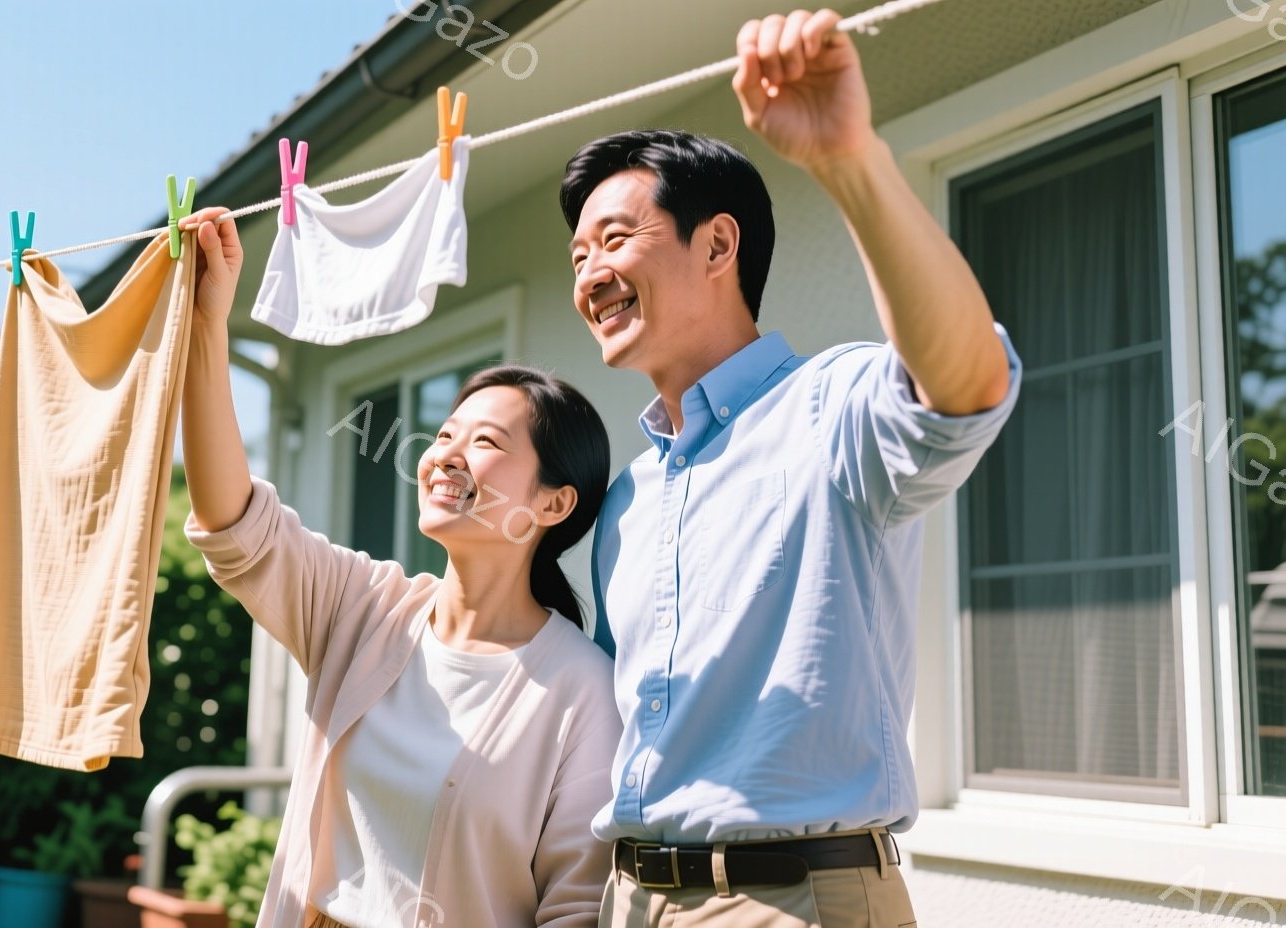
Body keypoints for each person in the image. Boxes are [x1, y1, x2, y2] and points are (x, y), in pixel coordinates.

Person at [563, 10, 1022, 927]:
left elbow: (967, 386)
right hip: (629, 899)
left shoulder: (831, 404)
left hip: (790, 901)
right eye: (578, 256)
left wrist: (849, 158)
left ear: (719, 245)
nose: (589, 275)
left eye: (613, 240)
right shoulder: (627, 501)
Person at [175, 204, 621, 928]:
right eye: (444, 432)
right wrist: (207, 327)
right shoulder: (363, 609)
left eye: (485, 442)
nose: (444, 454)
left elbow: (575, 907)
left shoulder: (581, 692)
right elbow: (234, 523)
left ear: (553, 502)